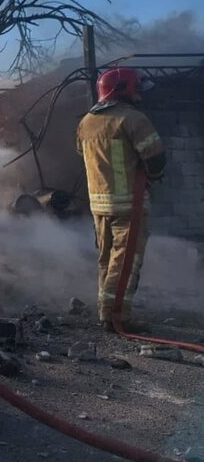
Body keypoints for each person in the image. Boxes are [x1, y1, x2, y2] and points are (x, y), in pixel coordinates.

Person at [76, 67, 165, 331]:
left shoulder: (86, 122)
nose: (139, 93)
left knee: (106, 259)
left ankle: (106, 310)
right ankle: (116, 318)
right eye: (136, 87)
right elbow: (156, 159)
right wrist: (154, 175)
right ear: (124, 89)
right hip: (129, 204)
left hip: (98, 204)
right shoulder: (134, 119)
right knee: (126, 262)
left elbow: (81, 153)